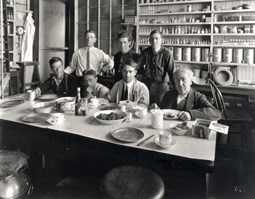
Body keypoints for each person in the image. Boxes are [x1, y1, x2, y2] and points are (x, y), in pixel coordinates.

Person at [138, 29, 175, 105]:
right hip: (147, 84)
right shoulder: (145, 52)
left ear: (162, 40)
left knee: (160, 108)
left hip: (161, 86)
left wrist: (176, 89)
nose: (154, 41)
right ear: (149, 40)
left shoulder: (167, 53)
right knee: (146, 105)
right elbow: (138, 66)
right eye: (152, 39)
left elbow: (172, 72)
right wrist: (141, 75)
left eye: (156, 39)